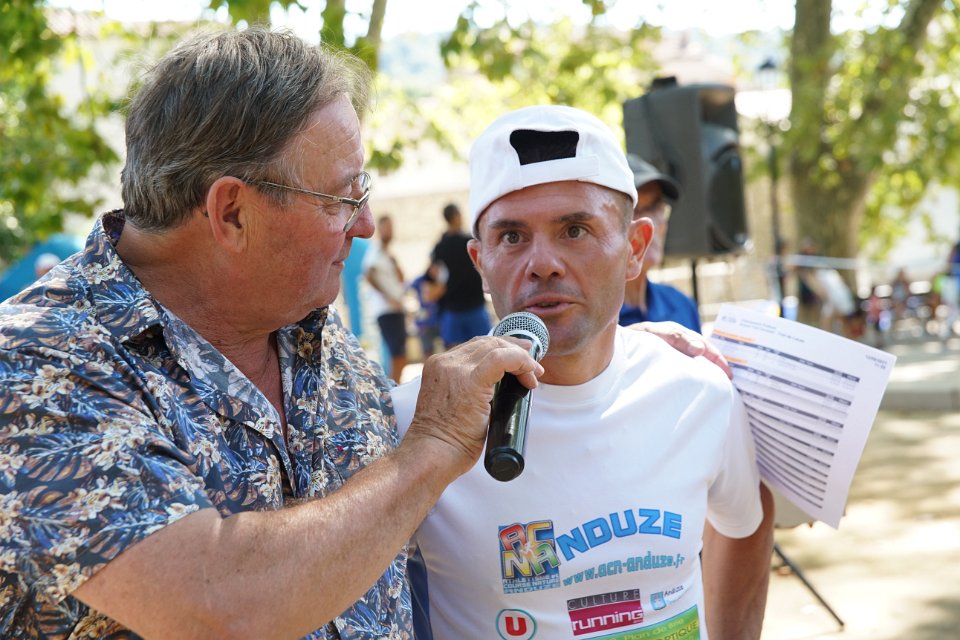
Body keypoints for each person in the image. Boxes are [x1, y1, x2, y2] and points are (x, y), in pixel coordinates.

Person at [0, 27, 550, 639]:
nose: (366, 224)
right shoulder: (33, 362)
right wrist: (431, 448)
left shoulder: (315, 334)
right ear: (232, 213)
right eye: (342, 197)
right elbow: (217, 608)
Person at [392, 105, 774, 639]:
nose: (542, 263)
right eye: (512, 237)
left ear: (635, 248)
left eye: (575, 230)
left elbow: (744, 524)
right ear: (480, 262)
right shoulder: (414, 424)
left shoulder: (699, 392)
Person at [618, 154, 701, 332]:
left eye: (655, 207)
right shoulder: (592, 321)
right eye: (634, 209)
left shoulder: (681, 305)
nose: (650, 222)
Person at [430, 202, 491, 347]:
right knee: (486, 348)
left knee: (456, 353)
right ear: (456, 216)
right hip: (474, 305)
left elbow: (434, 272)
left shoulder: (440, 246)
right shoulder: (470, 241)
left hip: (453, 308)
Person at [363, 214, 408, 381]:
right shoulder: (375, 251)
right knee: (398, 356)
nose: (390, 231)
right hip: (387, 310)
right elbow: (369, 275)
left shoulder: (388, 254)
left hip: (395, 309)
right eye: (387, 227)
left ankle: (395, 387)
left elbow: (401, 278)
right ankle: (393, 391)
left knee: (401, 356)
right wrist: (389, 298)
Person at [410, 261, 443, 359]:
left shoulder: (441, 281)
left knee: (449, 347)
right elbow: (411, 297)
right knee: (427, 350)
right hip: (425, 322)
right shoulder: (419, 281)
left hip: (440, 319)